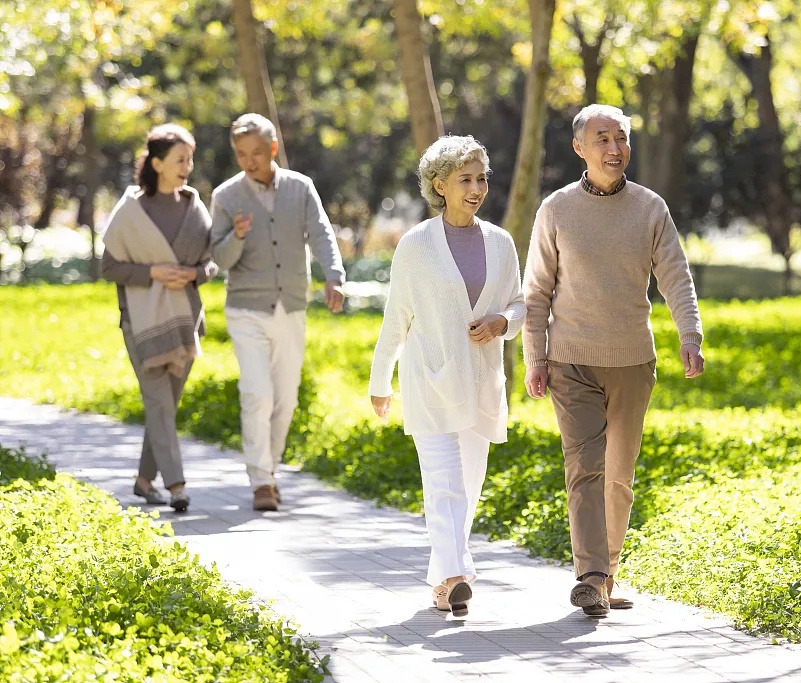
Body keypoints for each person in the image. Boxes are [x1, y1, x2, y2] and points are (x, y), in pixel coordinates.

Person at [522, 104, 705, 616]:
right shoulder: (555, 209)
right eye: (602, 138)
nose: (614, 148)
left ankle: (607, 576)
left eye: (621, 138)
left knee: (619, 473)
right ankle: (590, 576)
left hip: (631, 359)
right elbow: (536, 291)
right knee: (585, 467)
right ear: (580, 147)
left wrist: (689, 334)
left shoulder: (650, 208)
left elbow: (675, 276)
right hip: (571, 360)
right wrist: (536, 355)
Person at [369, 135, 525, 618]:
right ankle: (457, 577)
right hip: (430, 380)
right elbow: (397, 316)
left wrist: (503, 323)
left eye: (481, 179)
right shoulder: (416, 245)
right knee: (443, 485)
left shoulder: (500, 243)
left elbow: (520, 304)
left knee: (469, 487)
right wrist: (380, 380)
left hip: (481, 383)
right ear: (439, 185)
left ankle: (443, 581)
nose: (477, 188)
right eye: (465, 180)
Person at [210, 113, 346, 512]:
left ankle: (269, 467)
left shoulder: (300, 188)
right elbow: (218, 258)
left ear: (272, 148)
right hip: (246, 308)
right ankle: (261, 480)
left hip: (291, 305)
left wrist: (334, 276)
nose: (248, 161)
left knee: (285, 397)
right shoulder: (226, 196)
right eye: (240, 154)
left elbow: (320, 232)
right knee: (257, 393)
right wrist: (235, 237)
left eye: (256, 152)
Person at [101, 123, 218, 513]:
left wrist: (194, 274)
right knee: (160, 403)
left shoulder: (194, 207)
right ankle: (177, 486)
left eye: (190, 158)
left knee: (164, 405)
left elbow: (208, 263)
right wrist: (153, 272)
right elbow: (110, 267)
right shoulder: (131, 210)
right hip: (140, 322)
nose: (188, 166)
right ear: (156, 163)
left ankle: (142, 481)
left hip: (185, 320)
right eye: (180, 159)